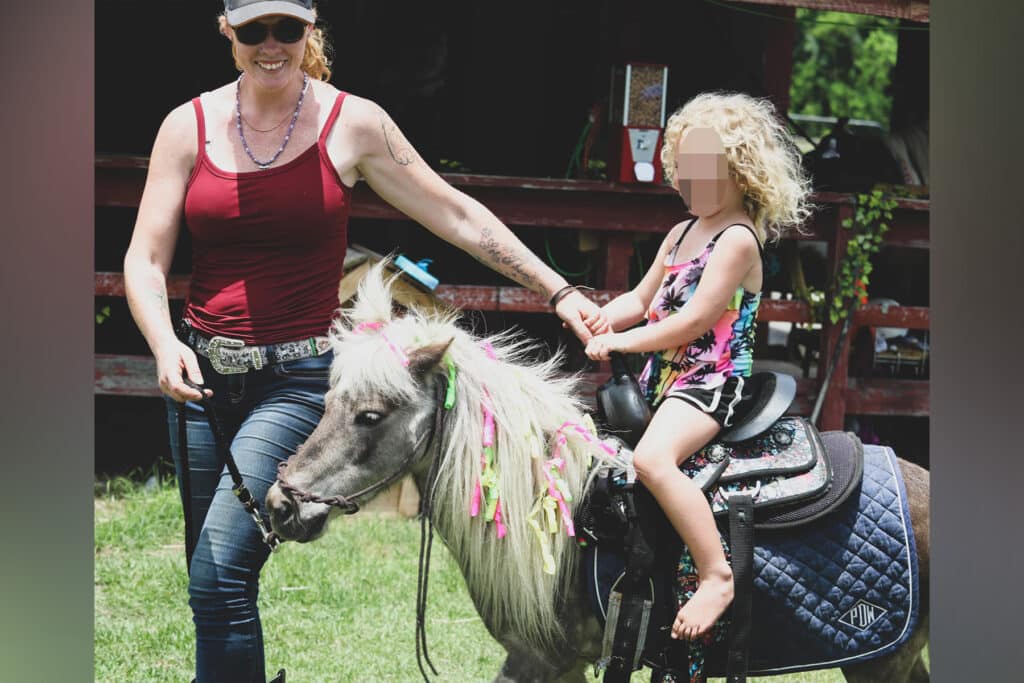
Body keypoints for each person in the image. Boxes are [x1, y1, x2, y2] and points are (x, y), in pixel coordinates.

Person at [122, 2, 605, 681]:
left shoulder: (355, 123)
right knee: (213, 579)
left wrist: (559, 290)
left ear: (309, 29)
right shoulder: (187, 126)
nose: (271, 45)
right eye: (254, 30)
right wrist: (164, 340)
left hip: (294, 384)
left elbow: (455, 213)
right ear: (227, 33)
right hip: (201, 378)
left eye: (286, 29)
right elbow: (144, 260)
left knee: (223, 564)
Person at [584, 91, 811, 640]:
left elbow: (693, 322)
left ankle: (715, 575)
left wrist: (624, 343)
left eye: (702, 172)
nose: (688, 184)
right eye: (682, 170)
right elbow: (639, 300)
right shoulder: (680, 233)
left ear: (740, 171)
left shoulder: (738, 241)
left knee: (655, 460)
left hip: (710, 381)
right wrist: (601, 319)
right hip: (661, 379)